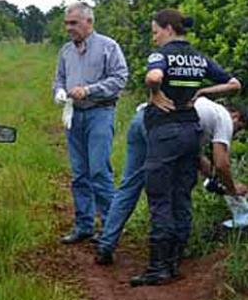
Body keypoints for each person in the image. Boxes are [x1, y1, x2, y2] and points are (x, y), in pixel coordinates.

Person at [131, 9, 241, 287]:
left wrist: (155, 93)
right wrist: (203, 92)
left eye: (155, 31)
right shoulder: (198, 57)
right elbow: (233, 84)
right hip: (191, 131)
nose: (154, 37)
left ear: (168, 29)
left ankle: (158, 267)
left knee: (159, 197)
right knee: (182, 196)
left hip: (165, 131)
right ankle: (175, 263)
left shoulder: (161, 55)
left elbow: (154, 77)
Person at [94, 96, 246, 267]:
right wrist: (232, 189)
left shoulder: (204, 107)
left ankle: (105, 245)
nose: (235, 133)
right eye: (239, 128)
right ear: (235, 116)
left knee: (129, 186)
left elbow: (198, 158)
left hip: (142, 118)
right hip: (162, 130)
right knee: (172, 191)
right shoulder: (223, 118)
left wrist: (217, 181)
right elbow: (221, 163)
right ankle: (170, 256)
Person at [53, 2, 129, 244]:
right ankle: (84, 225)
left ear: (89, 22)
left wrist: (89, 90)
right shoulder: (66, 51)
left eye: (73, 23)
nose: (69, 28)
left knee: (99, 171)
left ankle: (110, 227)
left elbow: (120, 78)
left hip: (100, 112)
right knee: (79, 173)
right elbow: (59, 79)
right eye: (67, 23)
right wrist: (59, 92)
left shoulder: (109, 46)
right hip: (75, 115)